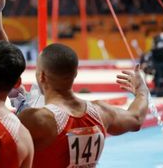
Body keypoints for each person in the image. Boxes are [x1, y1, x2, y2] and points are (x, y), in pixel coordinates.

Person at [18, 43, 149, 168]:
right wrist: (142, 91)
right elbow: (136, 118)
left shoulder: (36, 119)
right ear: (75, 74)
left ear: (41, 76)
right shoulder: (101, 112)